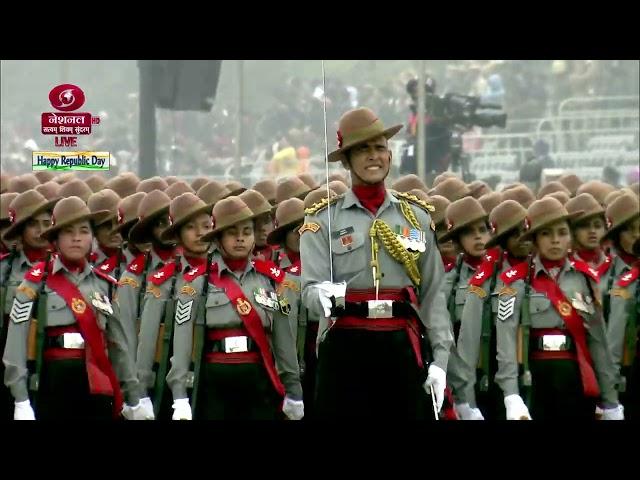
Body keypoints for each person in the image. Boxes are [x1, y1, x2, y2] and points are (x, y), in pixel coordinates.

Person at [300, 107, 452, 419]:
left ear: (390, 154)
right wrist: (323, 297)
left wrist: (440, 359)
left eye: (380, 148)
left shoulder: (416, 217)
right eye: (363, 149)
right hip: (345, 345)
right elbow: (308, 291)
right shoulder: (323, 220)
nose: (374, 156)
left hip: (400, 343)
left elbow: (434, 292)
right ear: (346, 160)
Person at [3, 196, 146, 420]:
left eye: (83, 231)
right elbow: (16, 346)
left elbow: (119, 346)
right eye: (68, 232)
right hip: (51, 382)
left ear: (92, 238)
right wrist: (20, 399)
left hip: (96, 384)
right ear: (55, 239)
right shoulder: (34, 283)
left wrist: (133, 396)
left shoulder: (104, 284)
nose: (76, 238)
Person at [166, 196, 303, 420]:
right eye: (232, 233)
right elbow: (182, 341)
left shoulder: (270, 278)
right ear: (218, 238)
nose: (240, 239)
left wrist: (293, 388)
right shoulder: (197, 283)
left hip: (259, 375)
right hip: (215, 377)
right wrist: (180, 397)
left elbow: (283, 337)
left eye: (247, 232)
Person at [494, 197, 622, 420]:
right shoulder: (516, 280)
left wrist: (610, 401)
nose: (555, 241)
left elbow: (598, 341)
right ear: (534, 240)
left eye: (562, 233)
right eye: (546, 234)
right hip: (534, 377)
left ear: (570, 238)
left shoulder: (584, 279)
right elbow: (506, 342)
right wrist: (511, 395)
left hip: (574, 377)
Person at [134, 193, 214, 419]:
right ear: (177, 235)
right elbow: (148, 337)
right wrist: (142, 392)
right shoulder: (165, 278)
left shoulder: (225, 270)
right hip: (180, 379)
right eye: (190, 227)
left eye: (206, 226)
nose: (200, 233)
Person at [456, 200, 533, 420]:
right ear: (504, 241)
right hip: (497, 377)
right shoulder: (487, 280)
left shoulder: (541, 273)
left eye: (526, 231)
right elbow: (467, 346)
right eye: (514, 234)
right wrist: (467, 403)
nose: (523, 238)